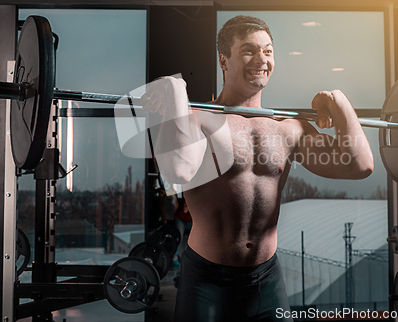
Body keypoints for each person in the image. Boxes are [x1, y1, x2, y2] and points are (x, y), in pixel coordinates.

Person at [141, 16, 374, 322]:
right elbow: (177, 172)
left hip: (266, 278)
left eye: (267, 51)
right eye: (249, 50)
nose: (261, 60)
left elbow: (360, 165)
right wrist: (174, 94)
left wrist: (338, 101)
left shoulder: (288, 128)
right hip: (207, 279)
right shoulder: (198, 120)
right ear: (224, 61)